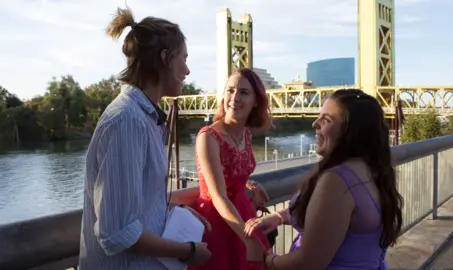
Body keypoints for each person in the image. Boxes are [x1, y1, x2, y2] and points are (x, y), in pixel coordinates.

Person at [79, 7, 211, 269]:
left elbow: (132, 204)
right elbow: (117, 231)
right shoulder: (126, 121)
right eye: (183, 59)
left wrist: (169, 211)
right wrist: (187, 250)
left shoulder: (144, 118)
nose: (187, 70)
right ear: (165, 58)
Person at [244, 89, 404, 270]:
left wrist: (269, 260)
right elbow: (328, 220)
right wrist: (279, 217)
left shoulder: (338, 181)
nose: (315, 124)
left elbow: (309, 262)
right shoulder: (372, 170)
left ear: (351, 131)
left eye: (326, 120)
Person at [187, 68, 272, 270]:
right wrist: (248, 239)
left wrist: (250, 185)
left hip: (243, 211)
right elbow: (218, 196)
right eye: (230, 90)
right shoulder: (208, 137)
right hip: (218, 221)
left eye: (243, 92)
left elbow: (234, 174)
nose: (234, 98)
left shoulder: (246, 135)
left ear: (256, 101)